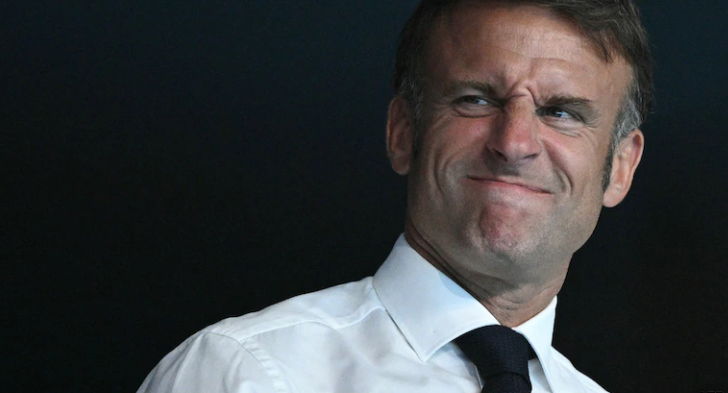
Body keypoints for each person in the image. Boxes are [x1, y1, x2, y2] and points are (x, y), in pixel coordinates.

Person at [137, 0, 652, 392]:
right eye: (476, 99)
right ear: (403, 132)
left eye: (562, 112)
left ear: (620, 168)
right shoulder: (244, 373)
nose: (514, 143)